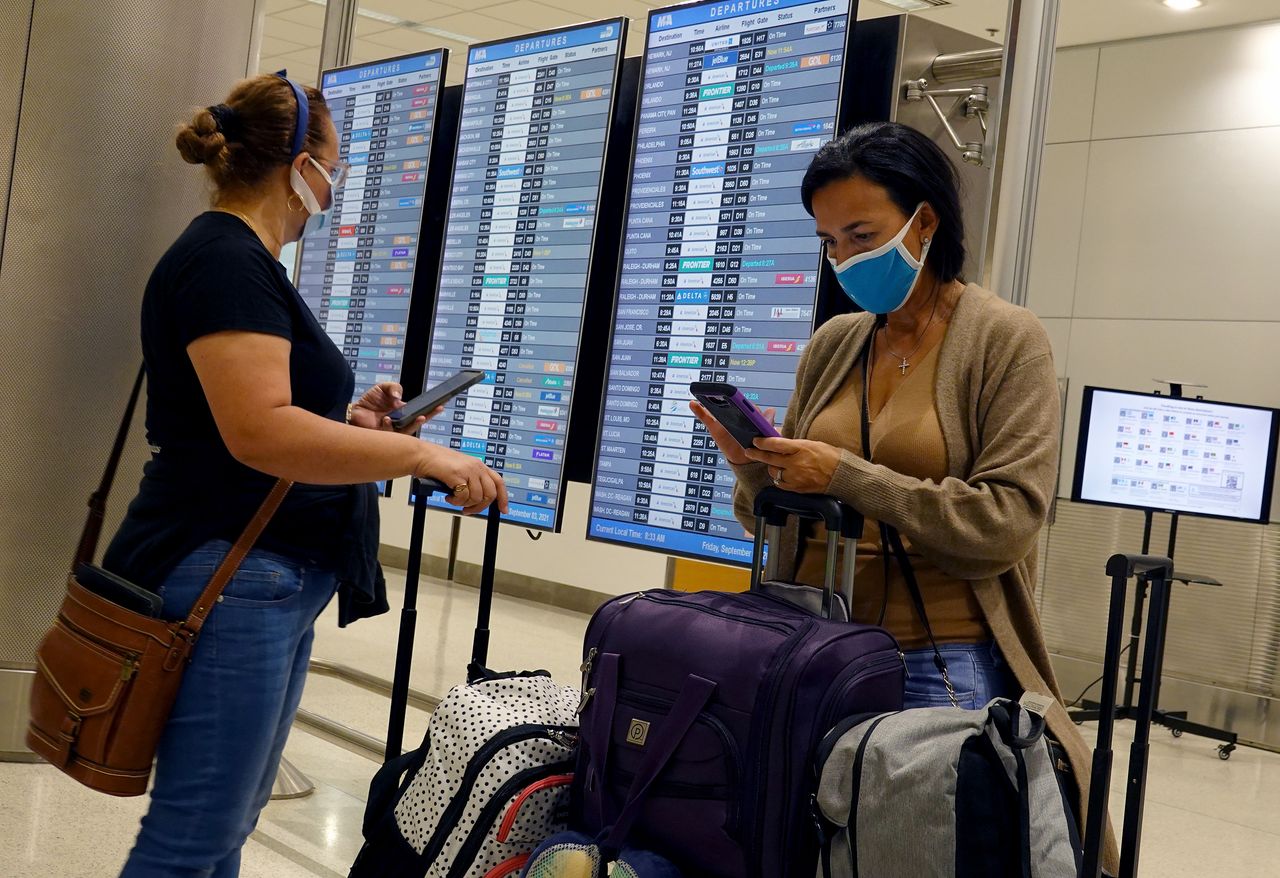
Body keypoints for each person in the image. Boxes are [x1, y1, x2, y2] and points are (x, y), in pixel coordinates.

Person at [102, 73, 507, 877]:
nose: (337, 178)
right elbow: (260, 434)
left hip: (261, 575)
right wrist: (422, 454)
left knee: (224, 824)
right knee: (193, 835)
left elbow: (259, 421)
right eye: (332, 161)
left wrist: (358, 427)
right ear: (297, 165)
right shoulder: (224, 261)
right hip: (230, 572)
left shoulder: (244, 264)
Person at [690, 121, 1115, 866]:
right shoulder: (837, 341)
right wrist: (754, 469)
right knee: (804, 848)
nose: (844, 259)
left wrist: (848, 475)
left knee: (918, 850)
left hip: (935, 659)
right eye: (830, 242)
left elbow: (1006, 521)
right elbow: (780, 514)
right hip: (816, 646)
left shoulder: (1004, 340)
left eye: (861, 234)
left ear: (925, 221)